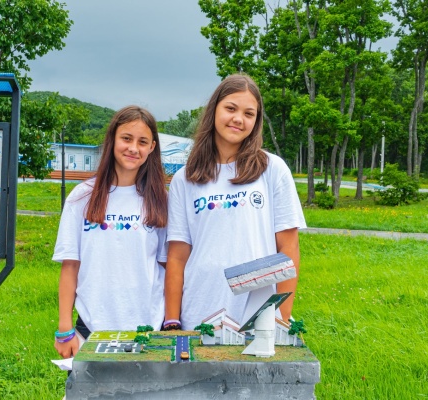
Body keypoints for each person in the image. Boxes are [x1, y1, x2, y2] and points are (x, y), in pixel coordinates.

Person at [164, 74, 306, 331]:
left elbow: (288, 248)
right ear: (214, 110)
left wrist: (280, 317)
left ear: (256, 121)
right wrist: (172, 321)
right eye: (230, 108)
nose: (239, 119)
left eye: (249, 113)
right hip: (199, 311)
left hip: (257, 315)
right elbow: (177, 257)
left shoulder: (272, 169)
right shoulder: (185, 179)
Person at [53, 105, 168, 358]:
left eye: (142, 142)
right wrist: (64, 329)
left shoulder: (161, 200)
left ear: (152, 147)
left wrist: (171, 322)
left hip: (148, 327)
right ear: (112, 139)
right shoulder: (82, 197)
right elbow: (70, 265)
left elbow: (167, 267)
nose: (133, 148)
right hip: (91, 326)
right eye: (126, 138)